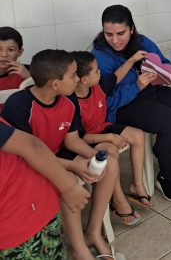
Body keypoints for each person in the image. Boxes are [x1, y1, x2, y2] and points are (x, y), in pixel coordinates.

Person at [2, 49, 124, 260]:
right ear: (55, 84)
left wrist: (93, 158)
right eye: (73, 75)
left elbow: (72, 140)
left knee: (109, 164)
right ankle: (79, 248)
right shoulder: (18, 105)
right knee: (68, 180)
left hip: (58, 152)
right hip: (33, 163)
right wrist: (75, 166)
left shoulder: (67, 99)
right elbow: (29, 154)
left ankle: (93, 232)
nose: (77, 79)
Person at [91, 5, 171, 203]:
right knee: (170, 121)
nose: (114, 40)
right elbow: (105, 102)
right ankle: (167, 176)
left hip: (151, 91)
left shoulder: (142, 42)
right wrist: (136, 86)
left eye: (120, 33)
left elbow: (163, 63)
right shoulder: (99, 57)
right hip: (123, 106)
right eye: (108, 34)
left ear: (131, 29)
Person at [72, 51, 152, 213]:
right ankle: (117, 197)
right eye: (96, 70)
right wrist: (109, 137)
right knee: (110, 150)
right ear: (84, 79)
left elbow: (117, 76)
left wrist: (132, 59)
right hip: (87, 138)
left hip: (102, 126)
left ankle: (137, 185)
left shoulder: (97, 85)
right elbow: (79, 137)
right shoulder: (72, 103)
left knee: (137, 135)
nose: (100, 72)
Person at [0, 117, 90, 259]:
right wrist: (69, 186)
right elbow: (32, 147)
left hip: (29, 212)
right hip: (19, 221)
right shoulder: (19, 109)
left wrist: (69, 186)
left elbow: (31, 147)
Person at [0, 26, 30, 91]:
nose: (4, 54)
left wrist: (29, 79)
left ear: (20, 52)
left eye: (10, 49)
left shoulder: (31, 71)